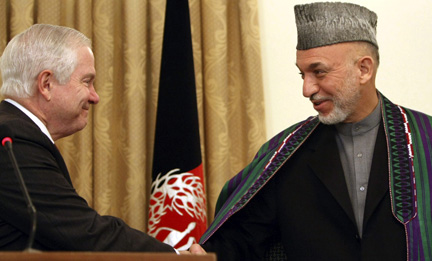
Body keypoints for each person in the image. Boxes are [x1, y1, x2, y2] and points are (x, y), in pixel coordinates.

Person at [190, 2, 432, 260]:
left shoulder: (424, 140)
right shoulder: (284, 154)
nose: (307, 89)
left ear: (364, 69)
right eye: (302, 74)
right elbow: (241, 241)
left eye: (319, 72)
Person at [0, 24, 177, 252]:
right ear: (46, 84)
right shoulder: (12, 139)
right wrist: (175, 256)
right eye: (87, 81)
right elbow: (83, 232)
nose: (95, 97)